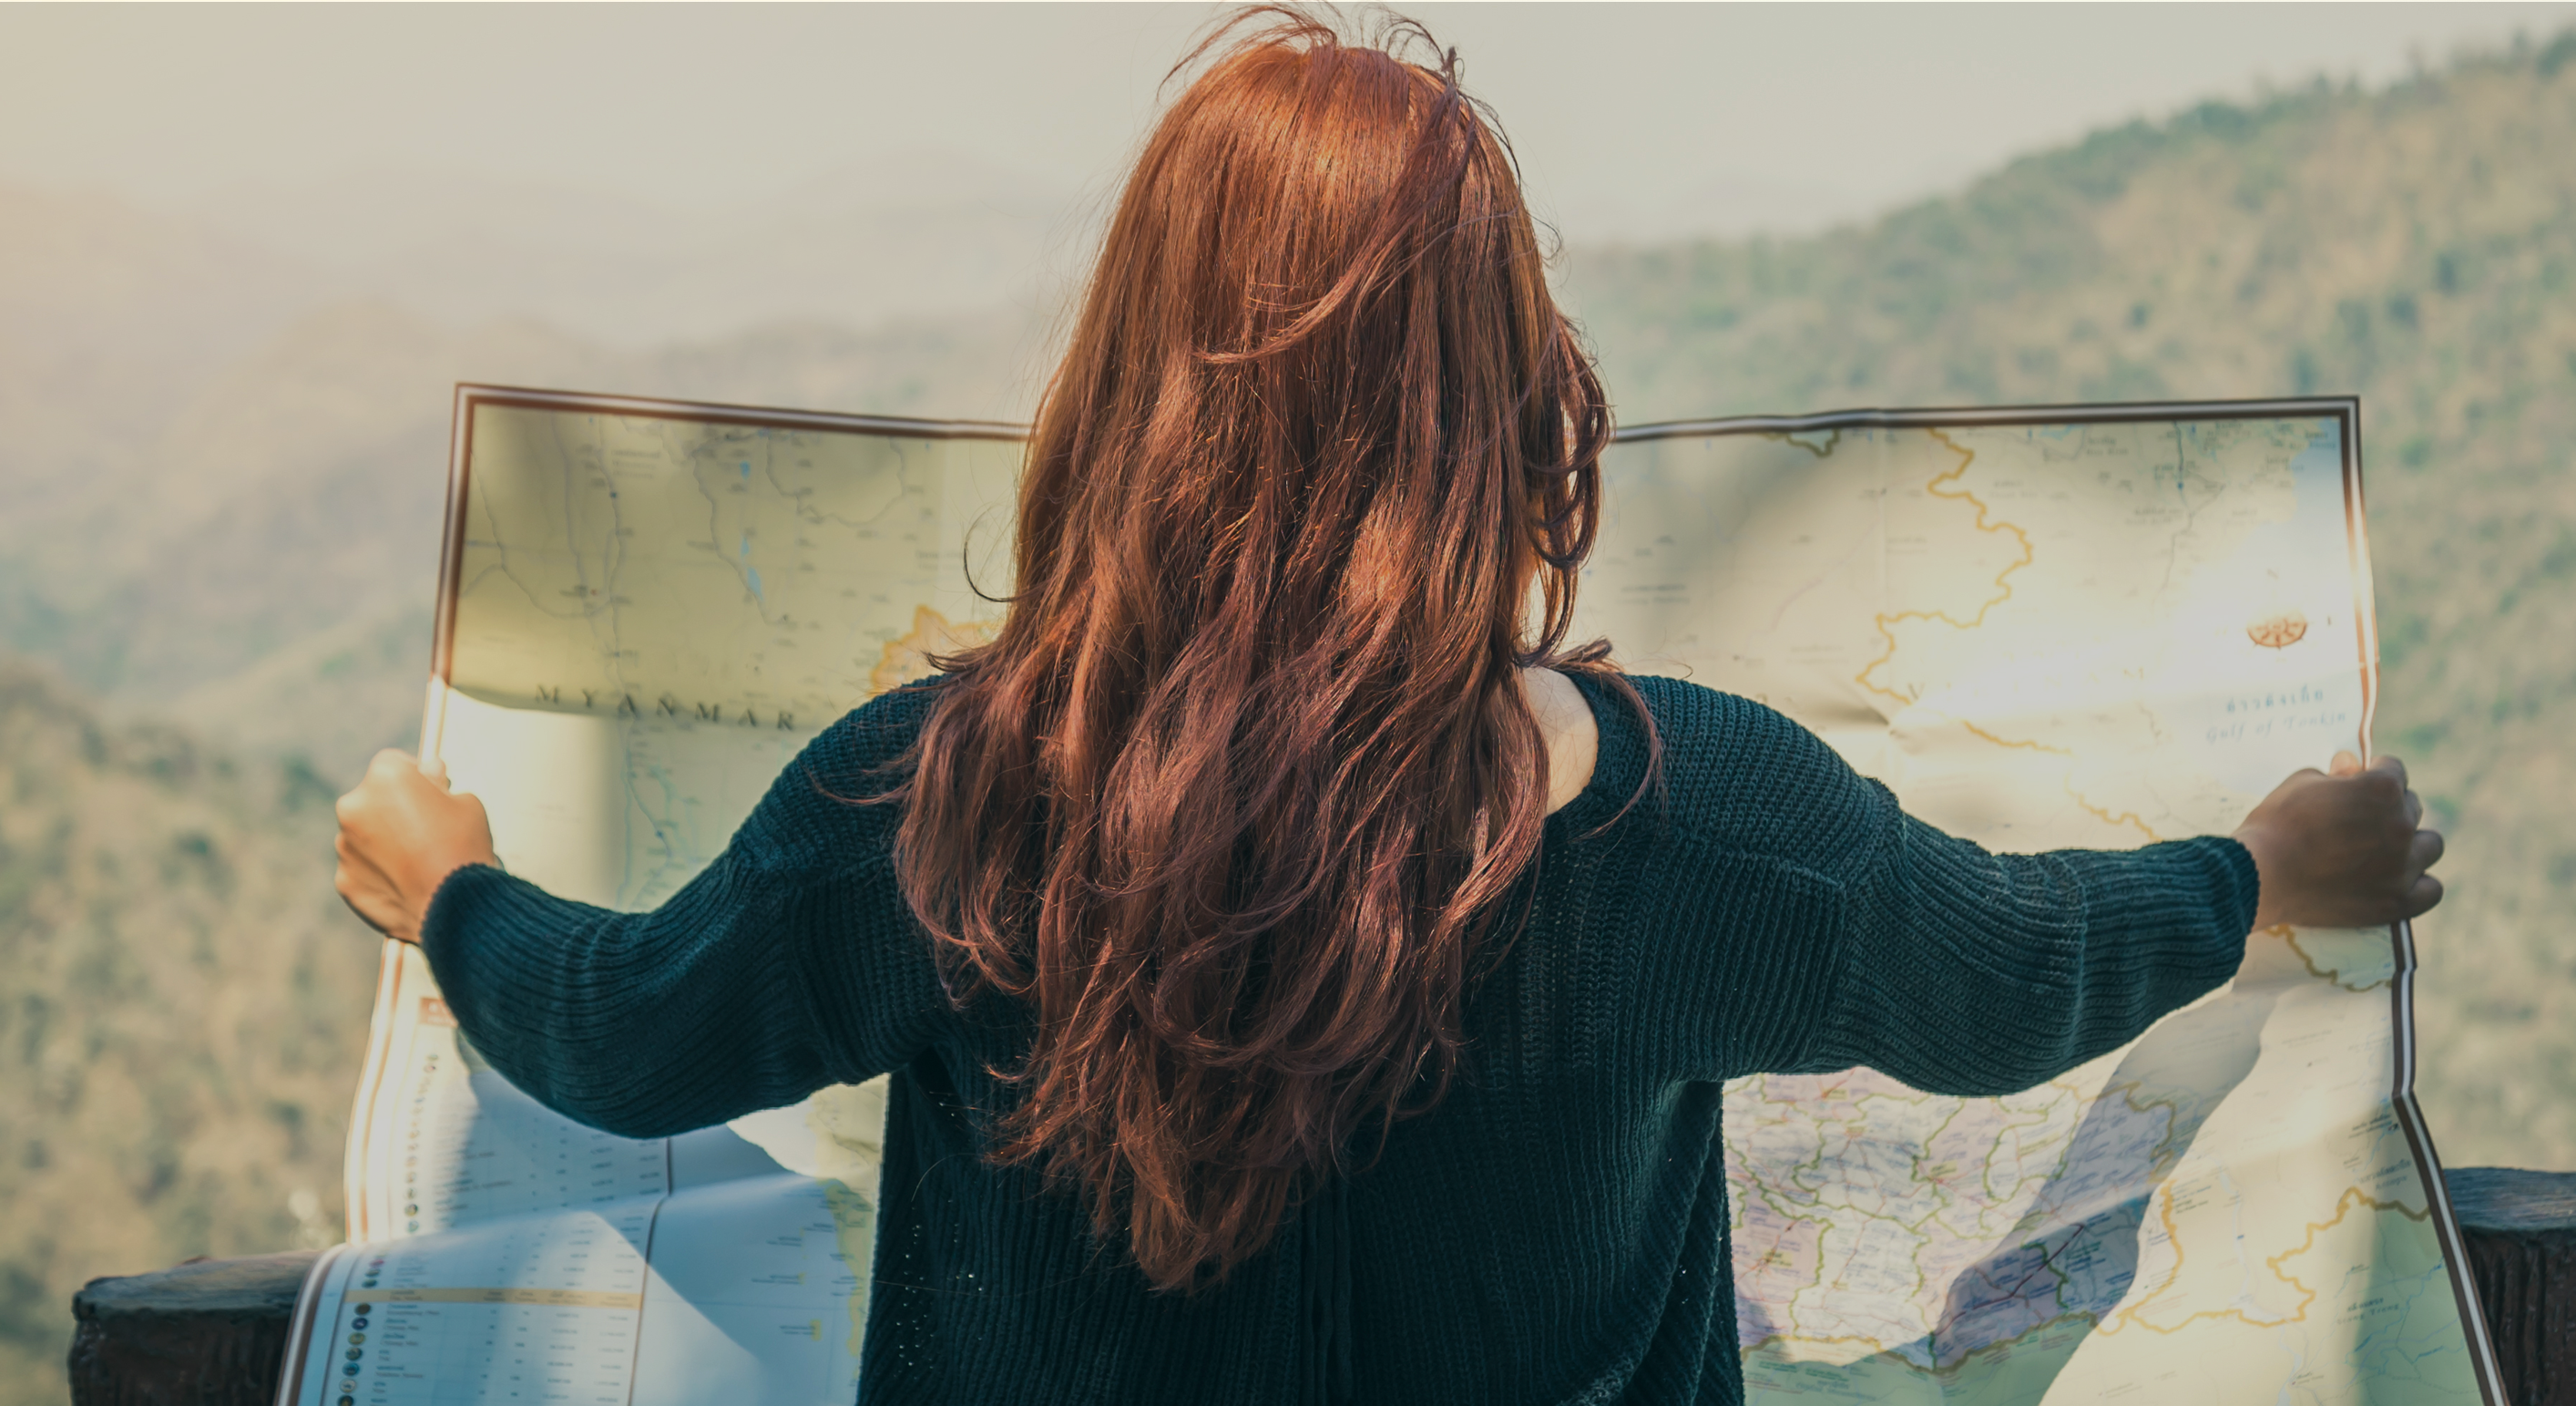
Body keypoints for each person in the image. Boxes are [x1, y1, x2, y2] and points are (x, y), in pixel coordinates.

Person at [329, 10, 2441, 1403]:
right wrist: (2252, 869)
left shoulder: (934, 803)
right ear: (1499, 384)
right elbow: (2001, 981)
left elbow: (626, 1036)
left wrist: (451, 891)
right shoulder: (1688, 821)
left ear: (1130, 375)